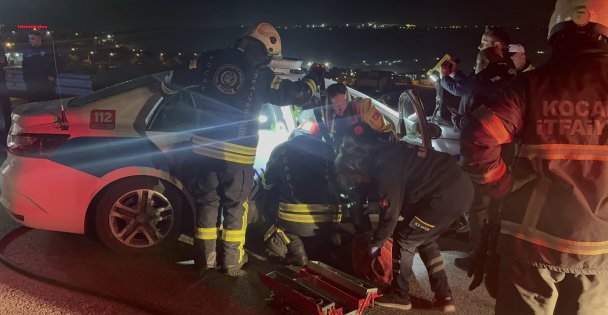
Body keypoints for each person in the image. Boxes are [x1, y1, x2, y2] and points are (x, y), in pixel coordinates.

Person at [461, 1, 608, 314]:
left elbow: (478, 136)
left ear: (556, 32)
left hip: (531, 238)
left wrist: (501, 187)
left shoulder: (532, 85)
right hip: (600, 245)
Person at [162, 22, 321, 277]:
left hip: (203, 148)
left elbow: (172, 80)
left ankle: (206, 260)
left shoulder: (208, 59)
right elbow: (298, 95)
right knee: (236, 206)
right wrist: (315, 77)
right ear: (266, 50)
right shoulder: (261, 74)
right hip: (237, 154)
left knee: (207, 204)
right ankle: (232, 262)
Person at [335, 123, 474, 313]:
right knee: (424, 238)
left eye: (355, 177)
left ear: (357, 167)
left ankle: (401, 295)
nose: (357, 181)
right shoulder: (387, 152)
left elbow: (390, 217)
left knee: (406, 238)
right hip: (459, 188)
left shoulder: (384, 172)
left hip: (443, 197)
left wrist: (375, 246)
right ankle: (444, 296)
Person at [261, 121, 345, 267]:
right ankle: (325, 245)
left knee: (267, 203)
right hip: (332, 219)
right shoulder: (329, 149)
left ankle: (293, 246)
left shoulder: (281, 149)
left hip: (295, 221)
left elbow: (267, 184)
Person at [440, 46, 515, 129]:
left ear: (486, 62)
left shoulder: (484, 76)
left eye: (477, 62)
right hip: (499, 130)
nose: (475, 66)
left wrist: (444, 77)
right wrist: (454, 74)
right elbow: (469, 84)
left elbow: (456, 89)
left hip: (477, 131)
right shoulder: (505, 74)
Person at [325, 82, 395, 148]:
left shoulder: (363, 108)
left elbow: (386, 132)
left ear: (347, 100)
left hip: (377, 149)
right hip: (353, 155)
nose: (341, 108)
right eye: (336, 105)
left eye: (343, 103)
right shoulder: (333, 121)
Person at [22, 31, 56, 102]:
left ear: (39, 38)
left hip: (46, 84)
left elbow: (58, 62)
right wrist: (26, 80)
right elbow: (24, 66)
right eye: (29, 39)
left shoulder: (48, 49)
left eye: (32, 38)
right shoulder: (27, 50)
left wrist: (53, 74)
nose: (30, 40)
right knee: (33, 105)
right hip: (32, 85)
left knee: (46, 104)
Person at [0, 35, 11, 149]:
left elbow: (4, 62)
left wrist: (3, 62)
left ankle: (6, 135)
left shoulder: (1, 49)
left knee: (6, 109)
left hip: (2, 84)